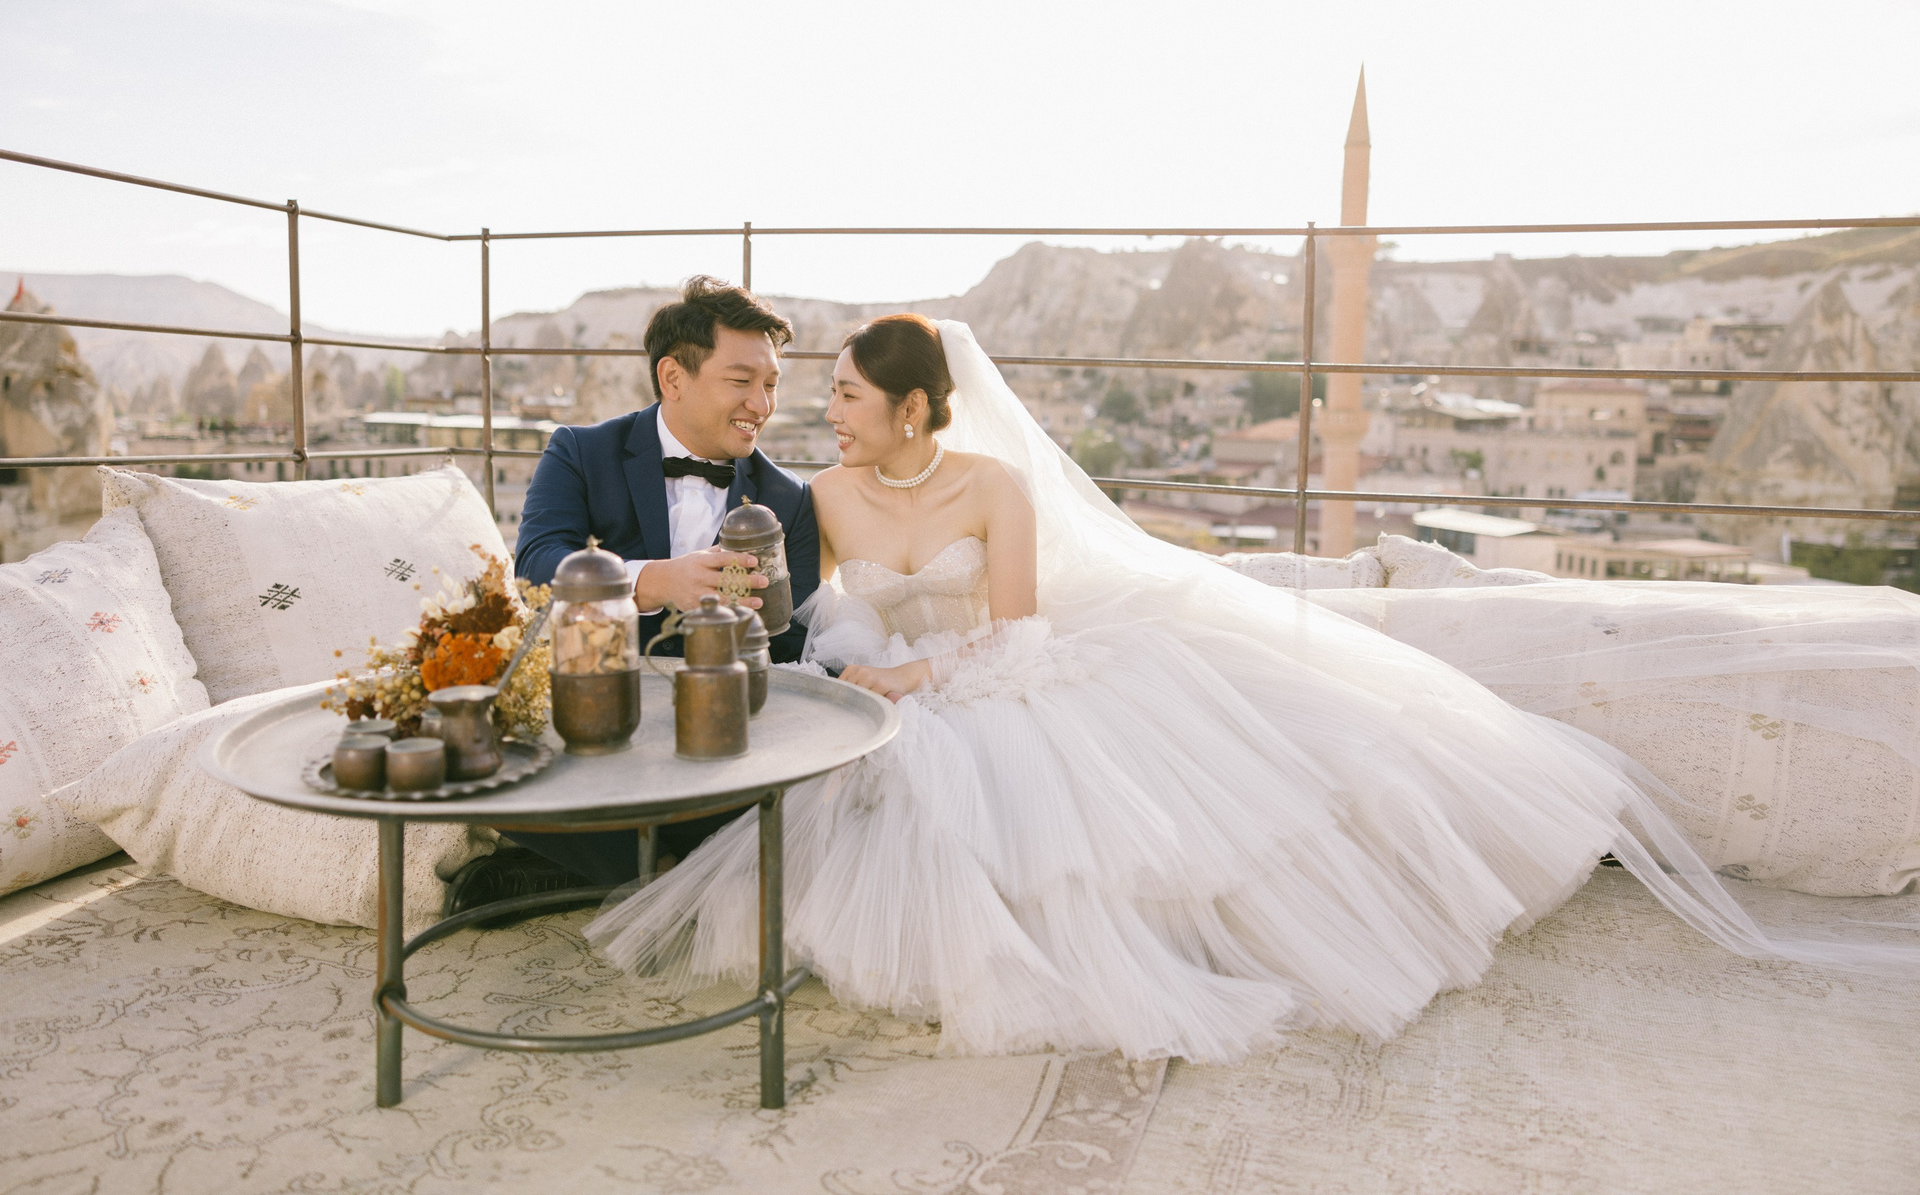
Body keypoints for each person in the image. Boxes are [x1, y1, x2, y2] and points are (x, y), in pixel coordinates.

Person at [585, 314, 1919, 1061]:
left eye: (845, 393)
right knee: (896, 799)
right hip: (889, 686)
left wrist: (920, 670)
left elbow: (1023, 630)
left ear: (918, 409)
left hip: (995, 670)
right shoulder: (815, 494)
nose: (826, 411)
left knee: (1092, 819)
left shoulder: (995, 489)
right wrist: (855, 666)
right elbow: (804, 612)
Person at [446, 277, 820, 914]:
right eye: (741, 381)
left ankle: (596, 870)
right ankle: (660, 866)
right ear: (673, 377)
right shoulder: (579, 452)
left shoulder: (789, 500)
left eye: (771, 383)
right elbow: (536, 568)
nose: (761, 404)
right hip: (592, 713)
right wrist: (652, 580)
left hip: (716, 735)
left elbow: (791, 643)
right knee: (465, 751)